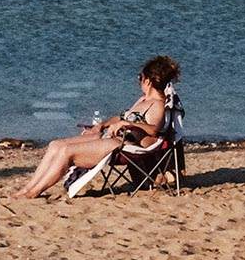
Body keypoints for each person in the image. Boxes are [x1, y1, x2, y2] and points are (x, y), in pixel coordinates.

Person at [11, 55, 180, 199]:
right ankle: (27, 189)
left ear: (148, 81)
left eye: (139, 78)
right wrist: (102, 125)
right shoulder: (143, 100)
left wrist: (126, 123)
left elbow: (153, 130)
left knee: (66, 152)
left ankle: (34, 192)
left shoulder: (157, 104)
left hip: (125, 146)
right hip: (114, 138)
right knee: (56, 145)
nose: (139, 81)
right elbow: (121, 117)